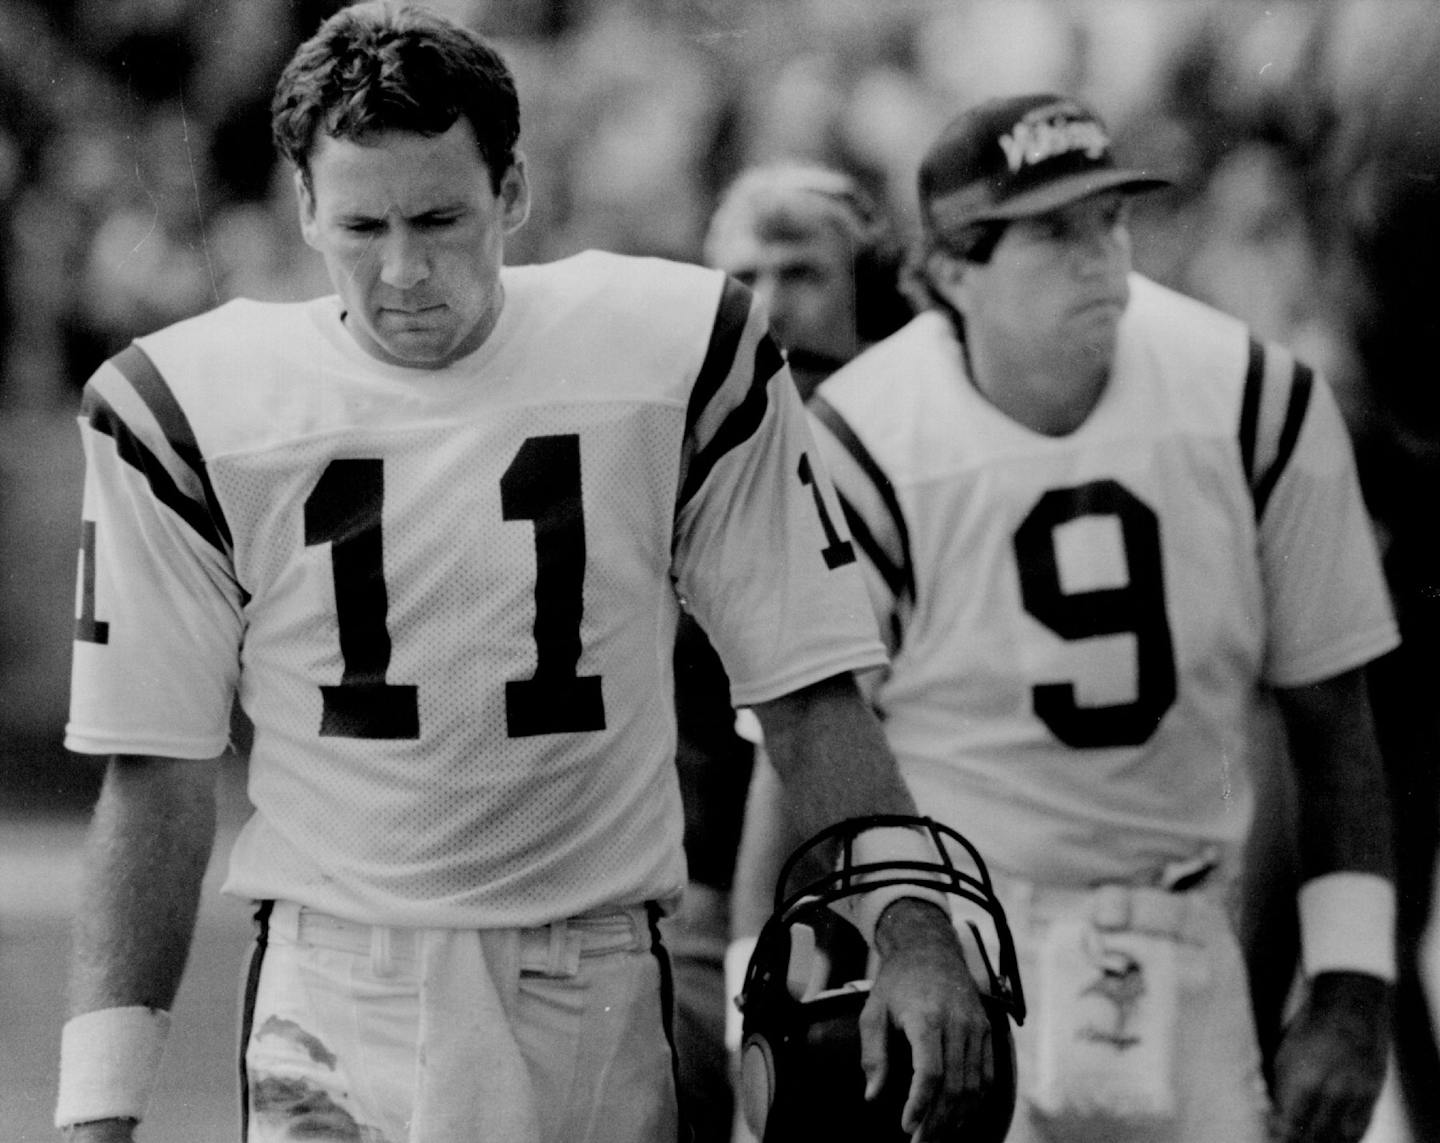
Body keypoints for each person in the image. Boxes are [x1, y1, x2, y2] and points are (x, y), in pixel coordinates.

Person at [54, 7, 993, 1142]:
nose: (403, 269)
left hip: (593, 977)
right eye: (362, 224)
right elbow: (153, 771)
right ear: (304, 207)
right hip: (336, 993)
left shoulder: (672, 349)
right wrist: (97, 1111)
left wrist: (914, 919)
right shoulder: (191, 405)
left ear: (513, 193)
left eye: (441, 217)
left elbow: (805, 685)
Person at [733, 92, 1399, 1143]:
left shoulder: (1253, 398)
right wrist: (756, 980)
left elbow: (1335, 718)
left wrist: (1356, 989)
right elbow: (807, 740)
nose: (1102, 259)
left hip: (1187, 928)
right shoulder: (863, 434)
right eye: (1054, 232)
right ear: (951, 268)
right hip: (958, 950)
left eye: (1111, 219)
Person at [664, 163, 914, 1142]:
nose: (768, 310)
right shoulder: (680, 456)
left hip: (893, 899)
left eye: (802, 273)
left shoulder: (915, 448)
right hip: (695, 897)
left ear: (878, 287)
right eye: (742, 279)